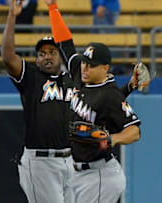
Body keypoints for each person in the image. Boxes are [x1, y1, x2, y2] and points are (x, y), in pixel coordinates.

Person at [44, 0, 147, 202]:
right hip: (77, 173)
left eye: (90, 65)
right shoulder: (80, 74)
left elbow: (135, 131)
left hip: (100, 176)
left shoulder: (110, 95)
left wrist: (113, 139)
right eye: (84, 62)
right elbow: (65, 43)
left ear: (105, 68)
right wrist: (52, 8)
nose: (84, 68)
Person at [1, 0, 76, 202]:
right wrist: (12, 16)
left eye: (52, 52)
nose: (47, 57)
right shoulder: (32, 77)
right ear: (36, 60)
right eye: (42, 54)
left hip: (70, 160)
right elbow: (8, 57)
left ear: (61, 57)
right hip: (40, 161)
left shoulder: (72, 79)